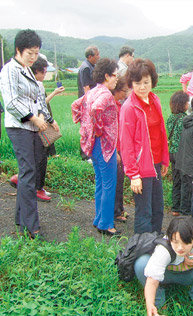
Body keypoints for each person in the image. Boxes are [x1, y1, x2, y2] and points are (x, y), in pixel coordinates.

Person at [0, 29, 59, 239]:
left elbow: (38, 100)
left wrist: (48, 119)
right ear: (18, 50)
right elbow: (12, 102)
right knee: (28, 173)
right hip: (19, 127)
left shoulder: (27, 70)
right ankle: (31, 227)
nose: (33, 58)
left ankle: (20, 218)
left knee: (28, 173)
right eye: (30, 53)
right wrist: (34, 118)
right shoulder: (10, 70)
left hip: (33, 127)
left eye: (36, 53)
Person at [134, 216, 193, 315]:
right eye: (175, 242)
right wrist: (150, 305)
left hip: (188, 274)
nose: (180, 247)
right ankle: (158, 302)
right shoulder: (164, 249)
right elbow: (151, 281)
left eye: (185, 242)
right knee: (141, 264)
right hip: (166, 274)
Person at [119, 58, 169, 234]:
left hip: (155, 162)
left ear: (152, 82)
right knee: (144, 211)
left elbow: (161, 133)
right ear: (131, 83)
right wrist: (133, 174)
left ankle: (155, 242)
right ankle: (142, 250)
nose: (142, 87)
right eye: (137, 83)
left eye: (146, 82)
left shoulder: (155, 100)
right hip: (141, 167)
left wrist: (164, 160)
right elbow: (126, 144)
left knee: (158, 207)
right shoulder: (129, 107)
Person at [72, 58, 120, 236]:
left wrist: (85, 126)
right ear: (107, 75)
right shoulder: (106, 94)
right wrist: (98, 128)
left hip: (92, 144)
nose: (117, 79)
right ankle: (106, 224)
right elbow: (95, 110)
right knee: (109, 184)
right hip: (105, 144)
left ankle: (99, 218)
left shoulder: (92, 91)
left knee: (100, 181)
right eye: (115, 75)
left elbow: (75, 105)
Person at [9, 56, 65, 201]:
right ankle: (36, 188)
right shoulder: (35, 83)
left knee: (33, 157)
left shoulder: (32, 82)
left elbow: (40, 103)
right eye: (44, 72)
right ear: (37, 71)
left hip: (31, 124)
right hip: (34, 125)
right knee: (40, 158)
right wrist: (50, 120)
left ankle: (26, 182)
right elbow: (41, 105)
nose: (45, 75)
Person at [166, 91, 189, 217]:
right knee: (185, 181)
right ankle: (184, 208)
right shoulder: (185, 119)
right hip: (182, 153)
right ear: (183, 104)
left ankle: (175, 207)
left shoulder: (171, 118)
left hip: (172, 153)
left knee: (176, 180)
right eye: (187, 102)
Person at [111, 76, 130, 223]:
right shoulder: (113, 106)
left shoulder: (118, 105)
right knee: (116, 182)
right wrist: (116, 151)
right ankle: (116, 212)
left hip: (120, 148)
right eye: (124, 90)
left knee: (119, 180)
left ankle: (120, 209)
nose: (126, 94)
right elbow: (112, 132)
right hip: (115, 150)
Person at [77, 46, 100, 162]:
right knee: (86, 129)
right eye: (97, 55)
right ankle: (85, 156)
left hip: (90, 101)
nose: (98, 57)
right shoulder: (85, 68)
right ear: (90, 56)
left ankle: (89, 153)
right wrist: (90, 104)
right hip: (86, 103)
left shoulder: (91, 66)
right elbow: (86, 87)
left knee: (91, 129)